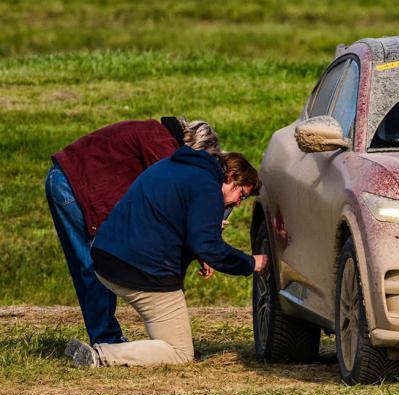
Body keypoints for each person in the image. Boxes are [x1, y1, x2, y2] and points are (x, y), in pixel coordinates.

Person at [64, 149, 269, 367]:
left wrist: (199, 250)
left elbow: (174, 222)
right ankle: (100, 355)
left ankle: (118, 349)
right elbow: (208, 245)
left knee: (169, 341)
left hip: (104, 255)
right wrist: (251, 262)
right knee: (180, 353)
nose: (238, 204)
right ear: (231, 178)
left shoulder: (176, 166)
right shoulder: (208, 187)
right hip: (140, 270)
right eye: (242, 196)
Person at [45, 117, 221, 346]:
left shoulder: (155, 134)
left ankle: (105, 336)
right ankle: (106, 340)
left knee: (87, 267)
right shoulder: (163, 146)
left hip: (62, 180)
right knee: (94, 266)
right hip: (74, 188)